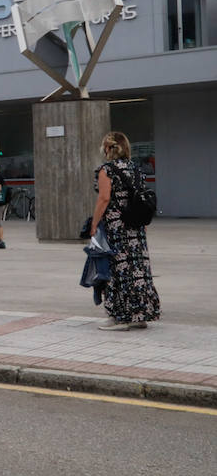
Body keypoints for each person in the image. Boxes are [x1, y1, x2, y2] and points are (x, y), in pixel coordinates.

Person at [90, 131, 161, 330]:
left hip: (117, 227)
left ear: (107, 148)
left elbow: (104, 198)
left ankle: (120, 317)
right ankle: (140, 315)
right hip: (136, 227)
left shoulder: (106, 170)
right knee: (138, 270)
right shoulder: (136, 168)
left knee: (118, 269)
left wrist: (94, 223)